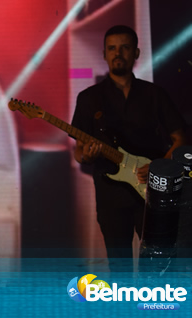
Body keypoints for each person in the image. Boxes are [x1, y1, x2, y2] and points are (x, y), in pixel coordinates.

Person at [72, 25, 187, 272]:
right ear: (104, 54)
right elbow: (79, 151)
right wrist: (86, 155)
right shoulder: (88, 98)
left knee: (159, 262)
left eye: (124, 47)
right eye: (112, 48)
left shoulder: (155, 94)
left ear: (136, 53)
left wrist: (159, 168)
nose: (118, 53)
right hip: (110, 196)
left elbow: (181, 138)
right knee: (119, 266)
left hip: (152, 192)